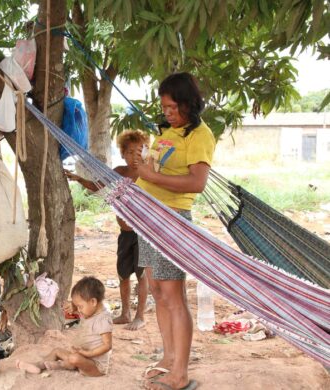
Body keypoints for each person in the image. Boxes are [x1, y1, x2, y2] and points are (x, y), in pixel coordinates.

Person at [136, 72, 216, 390]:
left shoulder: (200, 136)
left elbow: (197, 183)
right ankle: (168, 358)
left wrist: (151, 178)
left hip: (172, 220)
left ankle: (180, 373)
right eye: (164, 108)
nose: (167, 113)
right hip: (148, 217)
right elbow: (151, 169)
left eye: (172, 107)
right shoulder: (167, 133)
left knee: (173, 295)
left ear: (187, 103)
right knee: (157, 290)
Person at [65, 130, 150, 331]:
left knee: (142, 275)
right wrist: (77, 178)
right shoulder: (119, 172)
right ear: (122, 153)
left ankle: (140, 316)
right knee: (123, 274)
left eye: (139, 152)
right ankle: (125, 312)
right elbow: (98, 186)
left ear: (146, 153)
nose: (133, 157)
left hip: (143, 233)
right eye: (129, 152)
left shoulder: (148, 173)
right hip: (125, 233)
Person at [15, 276, 113, 377]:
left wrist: (87, 354)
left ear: (93, 302)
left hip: (95, 366)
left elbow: (107, 346)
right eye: (77, 306)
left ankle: (60, 365)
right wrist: (73, 306)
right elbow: (81, 306)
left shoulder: (103, 320)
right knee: (57, 351)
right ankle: (38, 365)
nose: (78, 310)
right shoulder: (89, 310)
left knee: (74, 358)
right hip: (83, 356)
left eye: (80, 306)